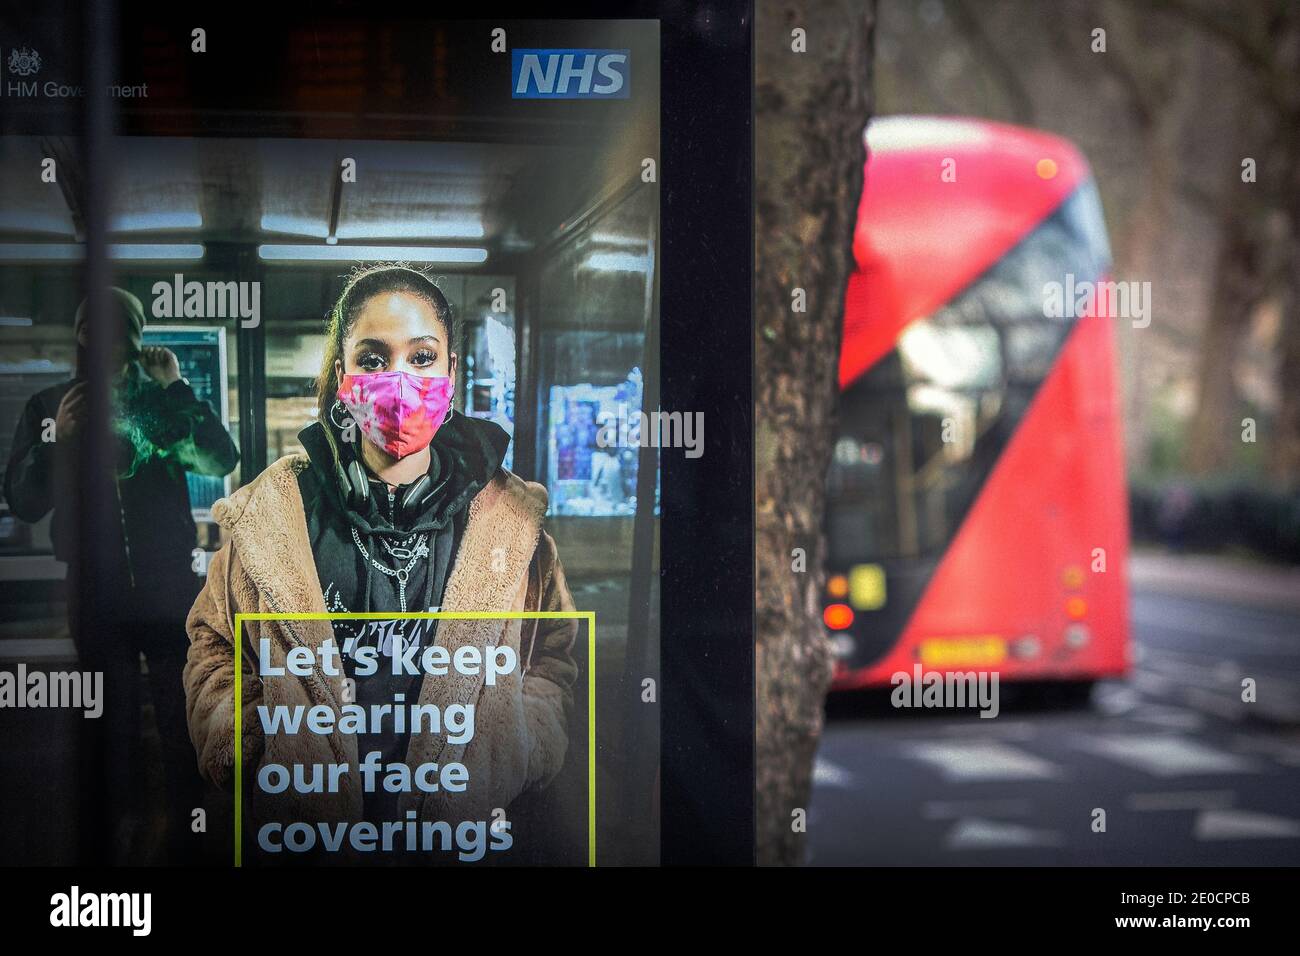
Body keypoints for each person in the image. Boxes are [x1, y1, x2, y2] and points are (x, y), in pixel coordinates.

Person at [183, 263, 579, 863]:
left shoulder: (512, 524)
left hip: (459, 838)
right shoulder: (275, 518)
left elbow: (552, 651)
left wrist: (519, 746)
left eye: (422, 356)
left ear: (451, 369)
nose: (399, 378)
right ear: (343, 376)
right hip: (312, 837)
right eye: (372, 358)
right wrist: (254, 748)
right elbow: (212, 643)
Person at [3, 287, 240, 863]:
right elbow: (25, 500)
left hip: (164, 586)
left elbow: (220, 459)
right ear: (81, 336)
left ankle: (191, 828)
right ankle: (120, 826)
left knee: (181, 712)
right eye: (95, 328)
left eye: (123, 329)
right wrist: (54, 433)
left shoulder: (159, 402)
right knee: (109, 714)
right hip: (96, 587)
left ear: (138, 337)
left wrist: (177, 387)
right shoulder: (52, 404)